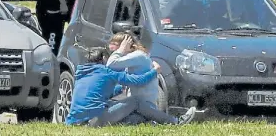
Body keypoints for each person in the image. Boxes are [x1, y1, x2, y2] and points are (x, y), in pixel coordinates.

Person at [66, 46, 196, 126]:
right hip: (95, 120)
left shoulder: (80, 73)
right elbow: (138, 81)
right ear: (104, 58)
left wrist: (119, 89)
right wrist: (154, 71)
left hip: (75, 122)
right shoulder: (106, 71)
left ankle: (147, 122)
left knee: (127, 113)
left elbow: (98, 93)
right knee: (136, 101)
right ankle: (175, 121)